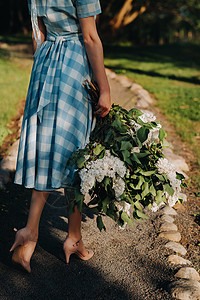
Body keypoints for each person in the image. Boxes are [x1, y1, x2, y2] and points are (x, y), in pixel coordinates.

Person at [10, 0, 111, 273]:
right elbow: (89, 36)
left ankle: (30, 233)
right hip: (74, 65)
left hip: (45, 64)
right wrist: (104, 87)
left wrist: (45, 69)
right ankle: (72, 237)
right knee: (76, 151)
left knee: (48, 145)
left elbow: (38, 35)